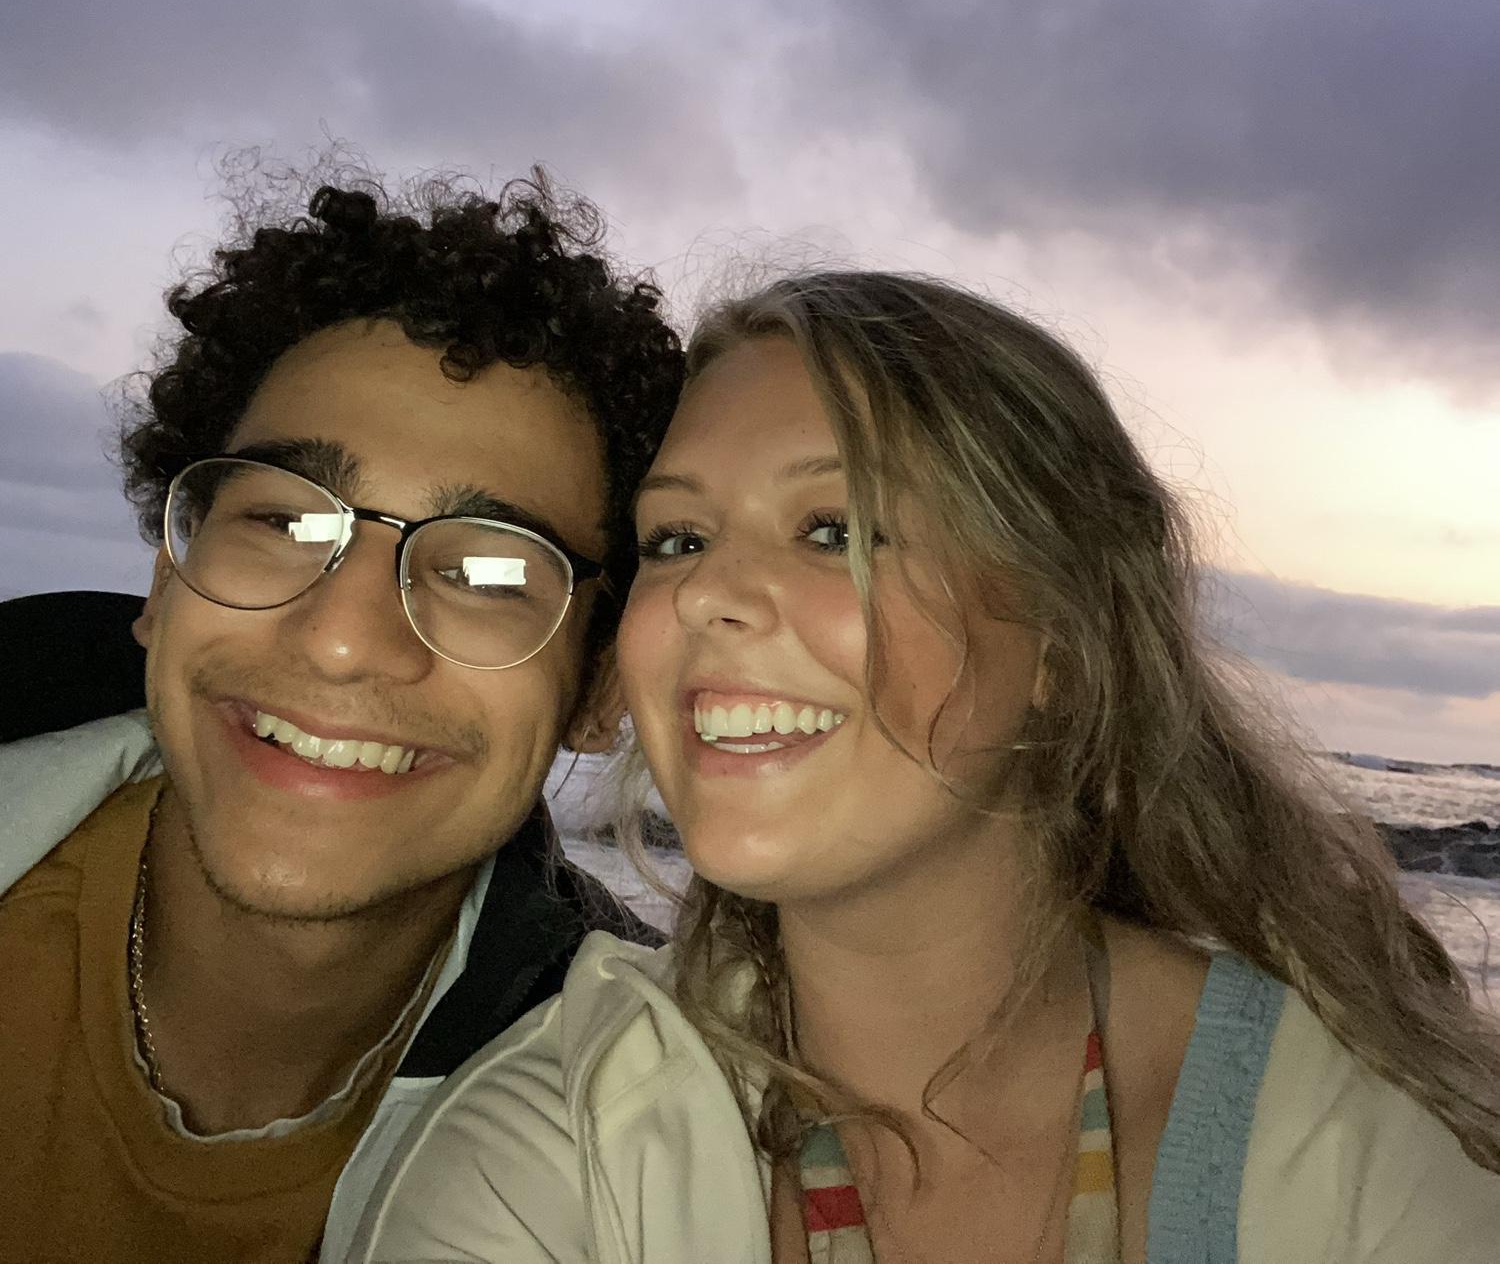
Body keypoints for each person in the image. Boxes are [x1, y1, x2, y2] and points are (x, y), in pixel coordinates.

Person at [350, 270, 1500, 1263]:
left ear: (1059, 638)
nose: (702, 595)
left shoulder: (1357, 1145)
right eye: (678, 540)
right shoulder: (555, 1153)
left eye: (833, 530)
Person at [0, 169, 683, 1264]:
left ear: (601, 691)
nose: (343, 639)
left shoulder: (653, 1147)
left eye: (489, 573)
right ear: (167, 580)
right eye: (282, 521)